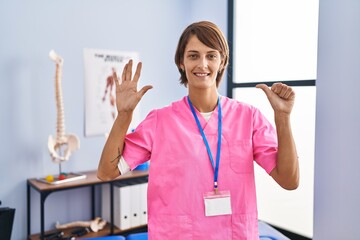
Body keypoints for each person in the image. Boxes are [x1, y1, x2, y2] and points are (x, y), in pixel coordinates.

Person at [97, 21, 299, 239]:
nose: (202, 64)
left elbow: (289, 181)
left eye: (211, 56)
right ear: (181, 62)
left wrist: (283, 118)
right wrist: (124, 116)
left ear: (222, 62)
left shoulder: (248, 118)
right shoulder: (160, 120)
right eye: (193, 55)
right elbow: (106, 172)